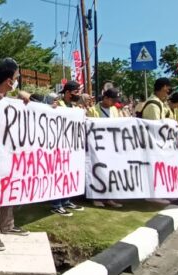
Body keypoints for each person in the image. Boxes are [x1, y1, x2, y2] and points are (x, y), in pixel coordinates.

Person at [0, 58, 30, 252]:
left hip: (8, 154)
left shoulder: (10, 100)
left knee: (9, 190)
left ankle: (7, 225)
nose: (18, 81)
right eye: (16, 78)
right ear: (9, 81)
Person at [49, 80, 85, 216]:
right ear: (68, 92)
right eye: (76, 92)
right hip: (59, 146)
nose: (79, 94)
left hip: (70, 146)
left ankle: (66, 200)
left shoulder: (73, 106)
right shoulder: (59, 104)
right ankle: (56, 204)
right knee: (59, 175)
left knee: (68, 174)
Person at [88, 88, 124, 209]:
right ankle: (96, 197)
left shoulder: (114, 109)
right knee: (97, 171)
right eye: (113, 100)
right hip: (97, 146)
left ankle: (109, 197)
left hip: (111, 145)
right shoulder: (93, 110)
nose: (115, 103)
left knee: (110, 172)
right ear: (106, 98)